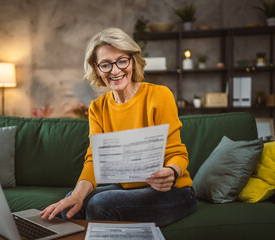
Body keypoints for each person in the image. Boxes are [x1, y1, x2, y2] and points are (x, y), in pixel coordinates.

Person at [40, 27, 196, 227]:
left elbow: (178, 153)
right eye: (105, 64)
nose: (115, 70)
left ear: (132, 61)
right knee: (72, 202)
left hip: (174, 192)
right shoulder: (97, 107)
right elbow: (94, 160)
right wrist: (77, 195)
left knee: (101, 204)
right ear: (96, 68)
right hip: (130, 189)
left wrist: (172, 172)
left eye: (122, 61)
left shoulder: (159, 95)